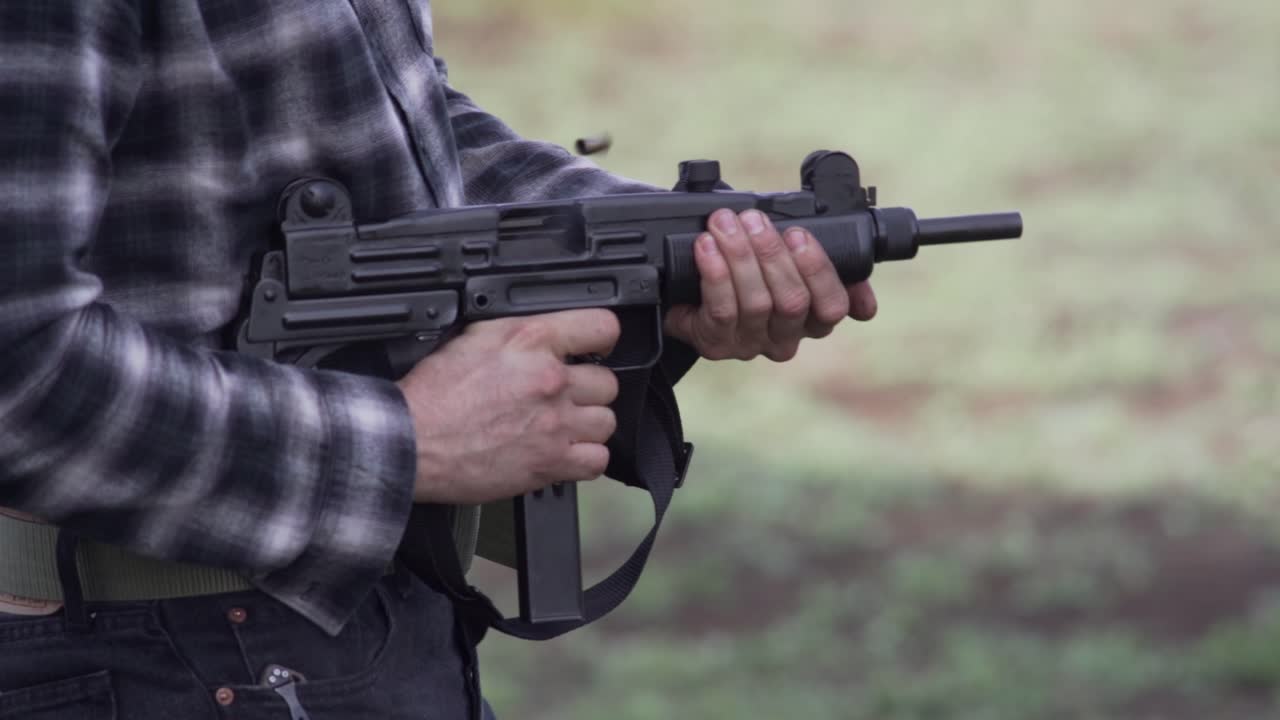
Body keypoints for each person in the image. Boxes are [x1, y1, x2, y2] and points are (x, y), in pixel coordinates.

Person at [0, 2, 877, 718]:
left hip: (353, 618)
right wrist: (409, 442)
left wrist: (673, 249)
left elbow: (400, 139)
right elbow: (18, 366)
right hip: (150, 649)